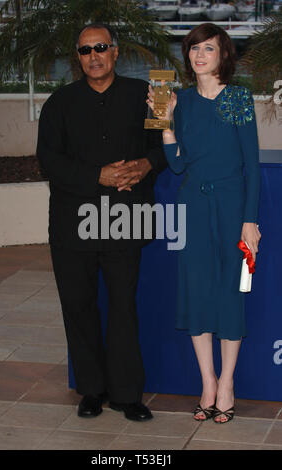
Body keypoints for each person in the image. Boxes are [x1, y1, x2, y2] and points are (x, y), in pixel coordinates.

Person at [37, 23, 167, 421]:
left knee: (124, 308)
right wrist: (98, 176)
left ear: (114, 52)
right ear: (78, 58)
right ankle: (91, 391)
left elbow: (168, 146)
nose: (93, 55)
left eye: (101, 47)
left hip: (125, 221)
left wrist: (147, 165)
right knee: (79, 307)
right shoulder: (57, 103)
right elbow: (50, 161)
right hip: (73, 224)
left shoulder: (148, 96)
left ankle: (128, 395)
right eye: (85, 50)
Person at [148, 23, 261, 423]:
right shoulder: (183, 102)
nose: (199, 55)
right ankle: (207, 383)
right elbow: (177, 164)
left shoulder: (238, 98)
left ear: (222, 56)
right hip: (193, 205)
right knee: (196, 294)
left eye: (208, 48)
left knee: (231, 293)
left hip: (232, 208)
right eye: (194, 48)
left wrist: (250, 221)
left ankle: (227, 384)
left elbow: (252, 166)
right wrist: (165, 119)